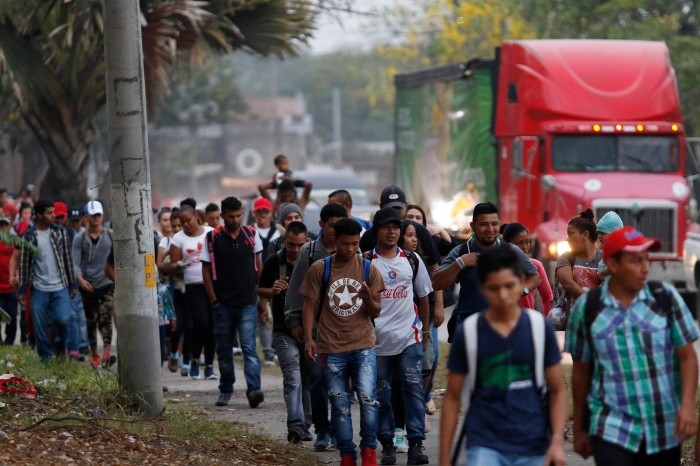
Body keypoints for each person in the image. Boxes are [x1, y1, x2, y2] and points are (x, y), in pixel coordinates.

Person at [567, 227, 699, 465]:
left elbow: (687, 357)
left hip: (663, 428)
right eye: (635, 261)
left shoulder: (665, 299)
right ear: (613, 265)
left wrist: (687, 406)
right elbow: (581, 372)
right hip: (611, 429)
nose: (645, 268)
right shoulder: (588, 309)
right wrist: (579, 427)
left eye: (646, 259)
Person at [439, 244, 567, 466]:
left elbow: (557, 390)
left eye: (509, 286)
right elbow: (451, 397)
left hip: (534, 445)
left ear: (522, 282)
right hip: (484, 445)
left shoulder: (539, 328)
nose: (503, 295)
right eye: (494, 288)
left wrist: (556, 441)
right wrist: (444, 458)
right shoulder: (469, 332)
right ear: (482, 287)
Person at [300, 217, 384, 466]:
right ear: (335, 240)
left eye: (355, 244)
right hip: (331, 347)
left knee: (368, 399)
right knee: (339, 404)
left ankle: (369, 449)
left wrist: (367, 298)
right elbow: (309, 305)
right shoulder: (320, 268)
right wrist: (309, 339)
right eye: (345, 243)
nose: (350, 249)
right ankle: (347, 453)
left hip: (363, 344)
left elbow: (376, 311)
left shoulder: (369, 269)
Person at [369, 208, 432, 465]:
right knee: (382, 395)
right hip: (376, 342)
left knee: (413, 390)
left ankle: (416, 444)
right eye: (386, 227)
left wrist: (425, 333)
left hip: (409, 337)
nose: (392, 232)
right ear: (377, 231)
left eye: (395, 227)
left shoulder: (412, 260)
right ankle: (387, 445)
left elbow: (424, 296)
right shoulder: (366, 262)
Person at [285, 202, 348, 451]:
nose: (335, 231)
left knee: (341, 383)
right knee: (318, 380)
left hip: (344, 329)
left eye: (340, 226)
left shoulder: (352, 252)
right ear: (322, 225)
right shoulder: (309, 252)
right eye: (331, 226)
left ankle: (340, 431)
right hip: (316, 328)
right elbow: (295, 291)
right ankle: (322, 429)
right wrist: (295, 321)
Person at [432, 202, 540, 341]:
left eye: (494, 224)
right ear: (473, 226)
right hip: (468, 330)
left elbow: (535, 276)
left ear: (499, 224)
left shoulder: (510, 251)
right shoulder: (462, 251)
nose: (490, 229)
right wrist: (460, 263)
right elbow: (436, 283)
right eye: (483, 224)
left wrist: (522, 291)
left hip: (503, 329)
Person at [201, 196, 265, 408]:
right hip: (223, 304)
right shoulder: (212, 238)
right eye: (231, 216)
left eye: (238, 216)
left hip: (247, 302)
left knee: (249, 348)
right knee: (224, 350)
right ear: (222, 216)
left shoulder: (252, 234)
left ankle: (254, 390)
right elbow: (206, 271)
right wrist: (214, 300)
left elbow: (259, 268)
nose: (235, 220)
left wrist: (262, 298)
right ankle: (226, 389)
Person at [257, 221, 311, 442]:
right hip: (283, 331)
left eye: (300, 245)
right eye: (291, 244)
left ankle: (307, 423)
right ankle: (295, 425)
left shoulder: (314, 261)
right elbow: (260, 289)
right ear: (284, 241)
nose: (295, 249)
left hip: (310, 332)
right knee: (292, 377)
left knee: (309, 379)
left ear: (307, 242)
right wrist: (273, 290)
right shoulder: (274, 261)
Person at [18, 199, 76, 362]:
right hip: (39, 288)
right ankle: (45, 356)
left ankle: (61, 345)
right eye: (49, 213)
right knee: (39, 324)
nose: (53, 215)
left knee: (63, 320)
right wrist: (22, 289)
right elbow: (24, 263)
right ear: (39, 215)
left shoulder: (60, 232)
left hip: (60, 286)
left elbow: (67, 259)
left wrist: (72, 284)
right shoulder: (29, 236)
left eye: (53, 212)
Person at [168, 205, 216, 380]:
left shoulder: (210, 232)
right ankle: (195, 359)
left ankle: (209, 366)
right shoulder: (178, 238)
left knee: (212, 326)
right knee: (201, 323)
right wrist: (178, 265)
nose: (186, 224)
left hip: (212, 284)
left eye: (188, 220)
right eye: (182, 222)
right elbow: (172, 266)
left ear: (196, 216)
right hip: (193, 285)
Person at [72, 200, 116, 367]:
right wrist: (80, 279)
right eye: (93, 215)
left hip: (106, 283)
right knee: (91, 320)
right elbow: (75, 262)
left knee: (106, 316)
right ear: (86, 217)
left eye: (98, 214)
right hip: (88, 284)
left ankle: (107, 351)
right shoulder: (79, 238)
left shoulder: (111, 235)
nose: (96, 218)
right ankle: (94, 353)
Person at [550, 209, 602, 330]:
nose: (567, 238)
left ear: (585, 234)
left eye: (571, 233)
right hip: (574, 324)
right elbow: (568, 284)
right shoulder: (566, 258)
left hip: (599, 324)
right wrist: (592, 305)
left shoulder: (603, 258)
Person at [252, 196, 283, 366]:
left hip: (277, 278)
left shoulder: (280, 231)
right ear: (254, 214)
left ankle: (277, 350)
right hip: (258, 280)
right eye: (259, 211)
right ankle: (268, 353)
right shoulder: (250, 232)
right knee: (262, 315)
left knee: (278, 315)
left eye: (265, 211)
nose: (262, 214)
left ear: (271, 213)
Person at [501, 223, 553, 315]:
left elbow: (548, 297)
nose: (525, 247)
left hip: (527, 319)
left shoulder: (535, 265)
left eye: (527, 242)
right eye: (519, 243)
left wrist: (546, 320)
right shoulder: (499, 266)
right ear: (508, 245)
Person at [0, 214, 18, 345]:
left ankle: (10, 341)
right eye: (1, 224)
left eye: (5, 224)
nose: (3, 227)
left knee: (11, 314)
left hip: (12, 285)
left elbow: (19, 259)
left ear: (9, 225)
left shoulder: (15, 241)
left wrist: (17, 274)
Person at [595, 210, 624, 281]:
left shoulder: (622, 253)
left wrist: (602, 274)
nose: (599, 236)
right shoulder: (605, 253)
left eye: (603, 233)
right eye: (598, 233)